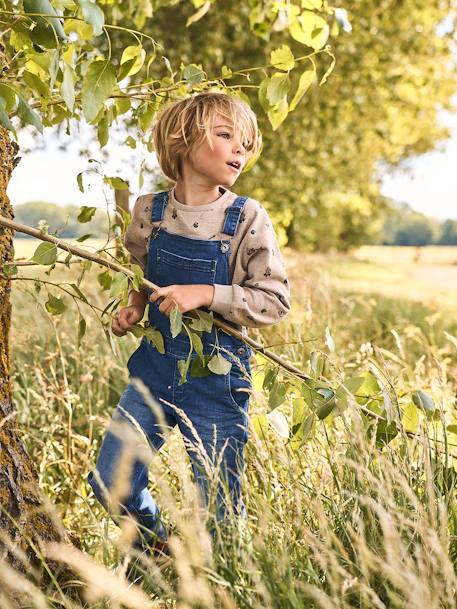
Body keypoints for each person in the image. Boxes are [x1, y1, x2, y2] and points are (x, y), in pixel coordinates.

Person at [87, 91, 291, 563]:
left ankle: (221, 585)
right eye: (225, 136)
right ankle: (158, 551)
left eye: (245, 142)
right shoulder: (148, 212)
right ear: (182, 140)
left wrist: (205, 294)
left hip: (217, 382)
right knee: (110, 480)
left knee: (219, 508)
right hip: (153, 374)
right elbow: (138, 269)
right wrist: (135, 304)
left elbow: (275, 300)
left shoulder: (247, 218)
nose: (240, 150)